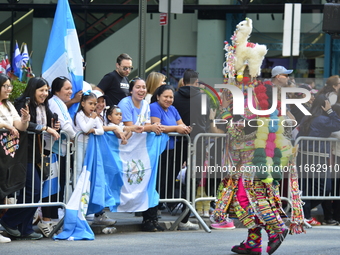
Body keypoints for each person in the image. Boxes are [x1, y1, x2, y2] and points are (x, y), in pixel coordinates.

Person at [118, 77, 164, 232]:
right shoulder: (125, 103)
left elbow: (144, 125)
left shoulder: (146, 104)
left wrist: (151, 127)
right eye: (138, 87)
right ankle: (97, 215)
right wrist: (151, 127)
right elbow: (130, 126)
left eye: (144, 87)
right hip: (124, 149)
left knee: (146, 182)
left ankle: (150, 218)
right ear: (131, 90)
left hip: (140, 150)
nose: (141, 90)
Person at [149, 85, 196, 230]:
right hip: (159, 149)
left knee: (167, 179)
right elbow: (157, 126)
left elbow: (181, 125)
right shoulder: (154, 107)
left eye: (171, 97)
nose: (169, 99)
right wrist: (177, 129)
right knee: (158, 180)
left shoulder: (173, 109)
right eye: (166, 97)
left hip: (172, 149)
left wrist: (186, 129)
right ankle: (152, 212)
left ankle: (159, 207)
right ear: (158, 96)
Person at [39, 76, 77, 235]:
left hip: (58, 150)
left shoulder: (59, 103)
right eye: (67, 89)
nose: (70, 92)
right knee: (51, 187)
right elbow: (67, 126)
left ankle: (51, 220)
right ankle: (46, 221)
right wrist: (76, 136)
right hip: (53, 151)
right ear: (57, 90)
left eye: (70, 88)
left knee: (57, 187)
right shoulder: (55, 102)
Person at [298, 94, 340, 226]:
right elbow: (338, 124)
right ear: (324, 105)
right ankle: (304, 212)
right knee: (324, 189)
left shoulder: (309, 117)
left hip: (305, 156)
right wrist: (330, 111)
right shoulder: (321, 119)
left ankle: (304, 212)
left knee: (307, 187)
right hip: (317, 158)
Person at [0, 73, 30, 241]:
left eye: (10, 86)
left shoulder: (9, 105)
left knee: (3, 190)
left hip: (7, 154)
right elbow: (8, 125)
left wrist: (25, 120)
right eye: (5, 86)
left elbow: (19, 126)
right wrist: (4, 125)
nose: (9, 89)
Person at [73, 91, 104, 178]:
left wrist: (93, 130)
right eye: (90, 104)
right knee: (79, 168)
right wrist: (92, 118)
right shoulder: (80, 115)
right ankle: (76, 188)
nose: (93, 106)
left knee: (87, 167)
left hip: (89, 144)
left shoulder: (93, 116)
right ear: (83, 104)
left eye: (94, 104)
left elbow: (101, 130)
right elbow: (85, 129)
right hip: (79, 144)